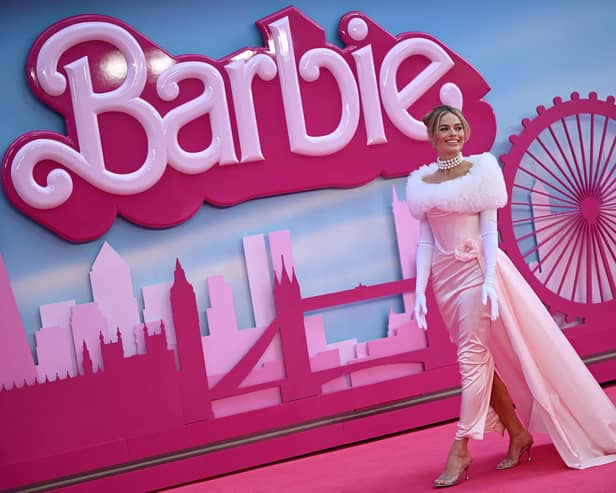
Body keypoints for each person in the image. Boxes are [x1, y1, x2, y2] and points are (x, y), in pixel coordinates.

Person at [405, 105, 616, 488]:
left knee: (471, 360)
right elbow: (424, 242)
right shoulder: (421, 183)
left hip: (476, 274)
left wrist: (488, 280)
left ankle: (461, 447)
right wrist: (418, 290)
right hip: (444, 281)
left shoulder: (483, 171)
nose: (452, 133)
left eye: (457, 127)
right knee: (482, 359)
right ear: (432, 135)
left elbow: (489, 233)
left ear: (464, 131)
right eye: (444, 128)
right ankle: (517, 433)